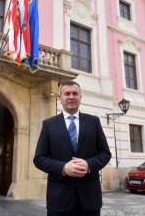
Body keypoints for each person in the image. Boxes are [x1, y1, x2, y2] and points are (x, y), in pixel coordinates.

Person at [33, 80, 111, 216]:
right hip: (59, 199)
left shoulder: (93, 122)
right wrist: (63, 168)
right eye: (66, 93)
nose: (71, 97)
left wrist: (88, 164)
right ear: (60, 98)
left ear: (80, 97)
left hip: (89, 199)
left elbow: (105, 153)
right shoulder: (49, 125)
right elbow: (39, 158)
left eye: (75, 93)